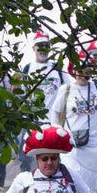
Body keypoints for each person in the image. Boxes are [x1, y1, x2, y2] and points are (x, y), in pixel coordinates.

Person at [49, 53, 97, 193]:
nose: (83, 74)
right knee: (72, 176)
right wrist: (58, 133)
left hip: (95, 145)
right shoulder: (66, 89)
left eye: (87, 70)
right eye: (79, 70)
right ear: (73, 71)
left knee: (92, 182)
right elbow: (55, 113)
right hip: (72, 144)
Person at [15, 31, 67, 172]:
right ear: (33, 48)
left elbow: (67, 91)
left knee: (54, 156)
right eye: (40, 45)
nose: (43, 49)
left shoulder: (57, 69)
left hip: (53, 121)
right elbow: (22, 95)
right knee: (25, 156)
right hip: (32, 121)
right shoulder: (27, 69)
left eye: (46, 45)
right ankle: (25, 184)